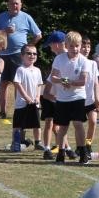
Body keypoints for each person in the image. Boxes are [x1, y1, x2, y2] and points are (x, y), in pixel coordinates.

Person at [0, 0, 41, 117]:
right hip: (2, 54)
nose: (15, 6)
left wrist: (29, 47)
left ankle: (18, 110)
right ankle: (2, 112)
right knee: (3, 84)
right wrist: (4, 32)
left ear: (21, 5)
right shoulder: (2, 17)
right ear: (8, 5)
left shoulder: (26, 17)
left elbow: (38, 34)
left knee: (17, 83)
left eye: (17, 4)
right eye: (12, 3)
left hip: (18, 54)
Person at [48, 31, 90, 164]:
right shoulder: (59, 59)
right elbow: (53, 77)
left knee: (78, 124)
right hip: (62, 98)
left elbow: (83, 81)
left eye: (77, 46)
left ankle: (83, 152)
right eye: (71, 46)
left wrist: (69, 83)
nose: (75, 49)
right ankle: (61, 153)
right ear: (66, 45)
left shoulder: (83, 61)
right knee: (63, 126)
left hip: (78, 96)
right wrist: (63, 81)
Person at [10, 43, 43, 151]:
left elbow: (39, 84)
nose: (32, 56)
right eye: (28, 53)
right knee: (19, 124)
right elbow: (18, 84)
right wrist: (26, 97)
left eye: (34, 54)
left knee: (36, 124)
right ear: (22, 55)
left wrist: (37, 97)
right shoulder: (21, 69)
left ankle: (38, 142)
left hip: (34, 102)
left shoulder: (37, 70)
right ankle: (17, 142)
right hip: (22, 103)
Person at [38, 31, 66, 160]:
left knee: (59, 125)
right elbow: (53, 78)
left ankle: (66, 148)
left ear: (58, 44)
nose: (50, 48)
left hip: (60, 97)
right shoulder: (58, 58)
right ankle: (47, 148)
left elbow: (65, 78)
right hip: (51, 96)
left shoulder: (67, 57)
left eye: (51, 45)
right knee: (51, 123)